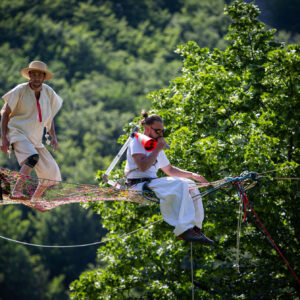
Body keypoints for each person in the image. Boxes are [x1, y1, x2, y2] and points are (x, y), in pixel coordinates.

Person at [125, 110, 214, 245]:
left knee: (190, 184)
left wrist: (193, 175)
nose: (160, 135)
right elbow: (143, 167)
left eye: (162, 131)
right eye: (158, 131)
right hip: (138, 184)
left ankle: (195, 228)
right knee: (181, 184)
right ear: (147, 128)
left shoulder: (155, 145)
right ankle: (184, 230)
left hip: (152, 182)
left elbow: (169, 170)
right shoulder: (137, 141)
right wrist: (157, 149)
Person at [0, 61, 63, 201]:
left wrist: (53, 136)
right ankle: (16, 190)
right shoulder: (20, 90)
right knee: (32, 157)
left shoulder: (48, 92)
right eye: (33, 74)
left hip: (35, 138)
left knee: (52, 173)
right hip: (17, 132)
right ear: (29, 75)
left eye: (39, 75)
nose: (36, 78)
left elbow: (49, 115)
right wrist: (4, 138)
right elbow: (5, 113)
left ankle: (35, 200)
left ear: (43, 77)